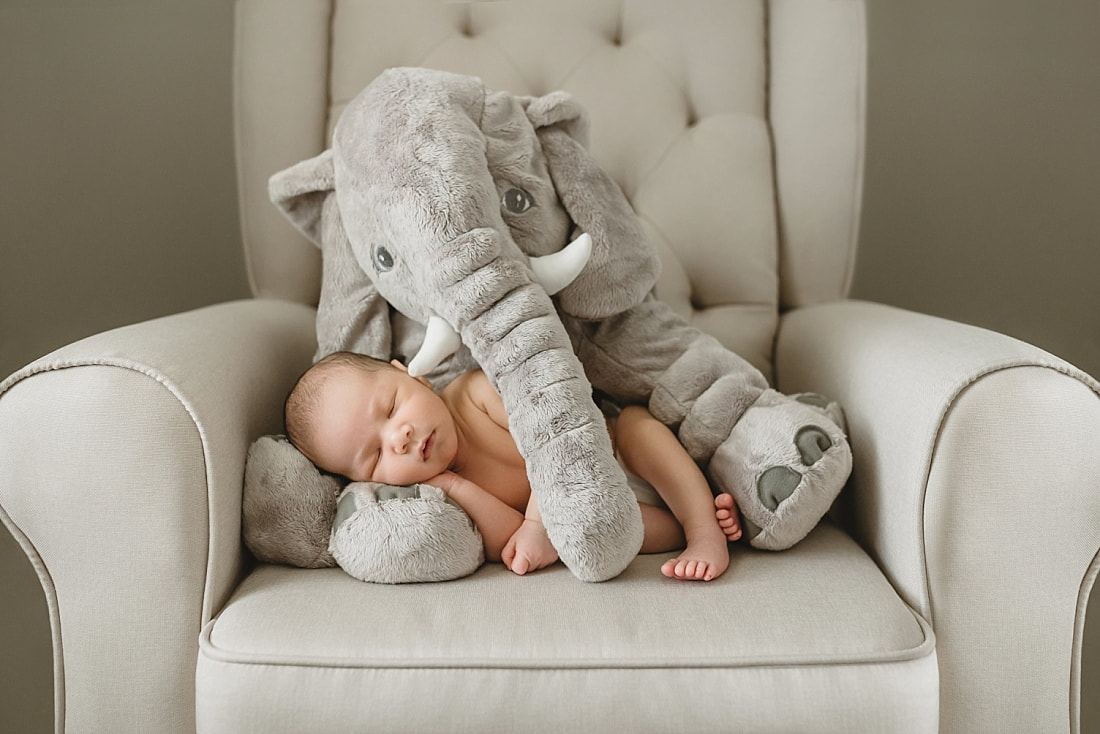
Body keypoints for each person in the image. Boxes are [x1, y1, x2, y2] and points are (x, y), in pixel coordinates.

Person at [285, 351, 742, 581]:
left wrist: (538, 523)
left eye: (391, 406)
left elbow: (551, 436)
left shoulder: (475, 393)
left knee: (639, 427)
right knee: (603, 528)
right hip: (605, 509)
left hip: (611, 450)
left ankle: (703, 527)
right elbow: (510, 542)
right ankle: (693, 527)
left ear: (412, 374)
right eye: (376, 455)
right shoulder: (439, 498)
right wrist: (456, 488)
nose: (398, 437)